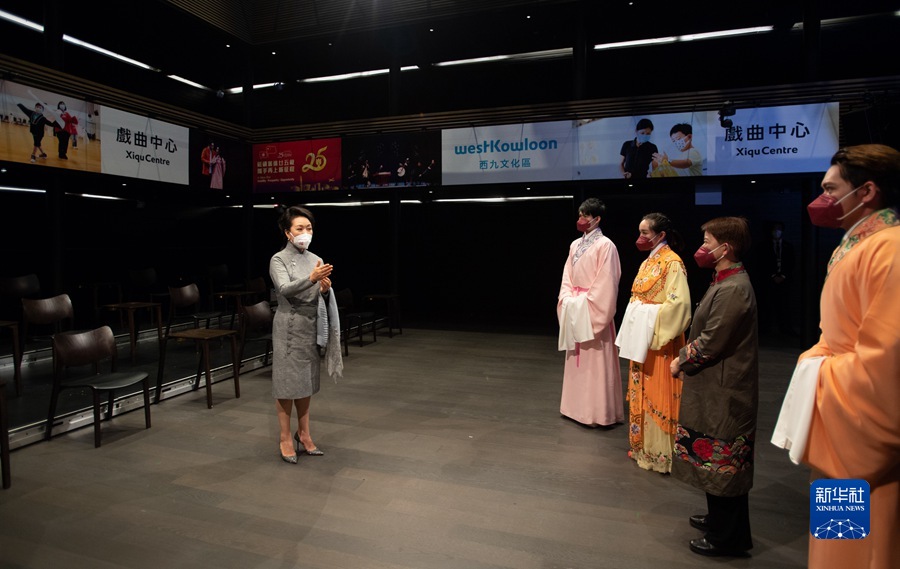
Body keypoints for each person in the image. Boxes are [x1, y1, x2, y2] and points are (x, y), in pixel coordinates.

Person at [794, 144, 900, 569]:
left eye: (830, 189)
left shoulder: (889, 249)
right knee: (836, 537)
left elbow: (886, 360)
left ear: (867, 191)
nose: (822, 198)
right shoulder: (858, 244)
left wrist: (817, 370)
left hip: (858, 424)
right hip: (840, 415)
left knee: (862, 548)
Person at [670, 216, 758, 557]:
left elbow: (710, 342)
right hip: (714, 386)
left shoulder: (734, 288)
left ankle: (729, 537)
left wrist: (680, 361)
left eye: (707, 242)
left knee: (726, 461)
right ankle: (718, 521)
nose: (702, 248)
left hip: (725, 389)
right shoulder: (725, 280)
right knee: (714, 458)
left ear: (726, 248)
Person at [269, 206, 343, 464]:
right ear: (287, 232)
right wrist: (312, 279)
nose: (305, 233)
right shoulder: (278, 259)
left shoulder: (315, 258)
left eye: (309, 228)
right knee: (285, 384)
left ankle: (304, 433)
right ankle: (285, 437)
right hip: (288, 328)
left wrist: (324, 289)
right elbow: (284, 289)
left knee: (305, 384)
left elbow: (317, 294)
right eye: (299, 228)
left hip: (310, 328)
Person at [619, 212, 691, 473]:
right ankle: (642, 447)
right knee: (641, 388)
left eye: (645, 233)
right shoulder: (647, 262)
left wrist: (646, 316)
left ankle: (661, 454)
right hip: (643, 337)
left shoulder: (672, 263)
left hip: (659, 339)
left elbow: (679, 304)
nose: (640, 237)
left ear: (660, 235)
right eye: (640, 232)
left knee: (658, 393)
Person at [557, 198, 623, 427]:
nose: (581, 219)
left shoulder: (606, 245)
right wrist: (567, 299)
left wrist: (585, 304)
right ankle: (574, 408)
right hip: (575, 304)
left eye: (586, 215)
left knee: (594, 360)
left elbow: (607, 281)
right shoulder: (575, 244)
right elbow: (567, 275)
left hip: (591, 306)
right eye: (580, 214)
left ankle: (596, 413)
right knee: (576, 358)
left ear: (597, 219)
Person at [756, 221, 796, 336]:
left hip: (784, 281)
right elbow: (762, 263)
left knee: (784, 305)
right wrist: (772, 276)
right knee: (767, 304)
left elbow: (791, 262)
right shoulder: (763, 246)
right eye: (774, 229)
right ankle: (765, 330)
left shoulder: (788, 246)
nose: (776, 232)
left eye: (779, 229)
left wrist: (783, 276)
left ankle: (786, 329)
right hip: (768, 281)